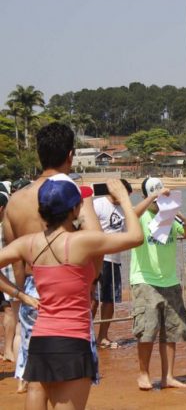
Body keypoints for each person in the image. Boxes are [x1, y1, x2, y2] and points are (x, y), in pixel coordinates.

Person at [0, 177, 143, 409]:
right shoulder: (82, 241)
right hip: (72, 339)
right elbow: (136, 237)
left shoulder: (28, 243)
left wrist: (20, 295)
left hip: (41, 339)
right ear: (74, 209)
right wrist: (125, 199)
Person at [2, 122, 103, 403]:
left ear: (39, 155)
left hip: (33, 291)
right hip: (70, 289)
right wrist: (93, 280)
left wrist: (19, 295)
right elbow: (96, 246)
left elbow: (15, 260)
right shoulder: (73, 195)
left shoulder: (15, 201)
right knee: (71, 376)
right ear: (70, 155)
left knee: (36, 379)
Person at [130, 177, 186, 391]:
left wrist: (178, 214)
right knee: (147, 330)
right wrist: (151, 199)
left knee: (171, 331)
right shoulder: (140, 217)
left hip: (170, 281)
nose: (158, 200)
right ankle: (143, 374)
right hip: (145, 280)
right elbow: (130, 216)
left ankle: (168, 376)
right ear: (145, 196)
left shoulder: (169, 217)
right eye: (152, 195)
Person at [91, 179, 133, 349]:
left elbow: (125, 232)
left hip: (114, 260)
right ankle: (85, 334)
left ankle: (103, 336)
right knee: (92, 300)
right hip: (98, 257)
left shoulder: (121, 210)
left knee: (110, 300)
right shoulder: (98, 204)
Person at [1, 189, 20, 363]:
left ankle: (7, 350)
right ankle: (8, 350)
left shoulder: (5, 225)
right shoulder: (6, 226)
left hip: (6, 277)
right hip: (7, 276)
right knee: (11, 313)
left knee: (10, 312)